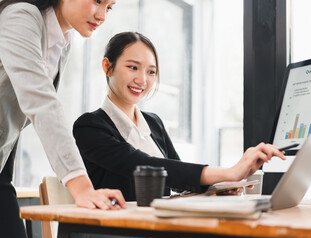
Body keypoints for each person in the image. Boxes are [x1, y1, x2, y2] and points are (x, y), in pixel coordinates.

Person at [73, 32, 286, 201]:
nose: (142, 80)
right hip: (117, 233)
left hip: (160, 228)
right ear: (107, 67)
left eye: (151, 72)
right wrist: (229, 172)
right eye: (132, 67)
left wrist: (214, 189)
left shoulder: (153, 123)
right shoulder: (89, 127)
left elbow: (177, 176)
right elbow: (145, 166)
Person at [0, 0, 126, 238]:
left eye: (109, 7)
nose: (102, 16)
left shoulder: (62, 43)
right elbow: (41, 102)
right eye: (97, 1)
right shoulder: (20, 17)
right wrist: (82, 188)